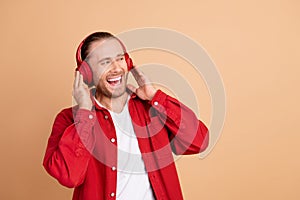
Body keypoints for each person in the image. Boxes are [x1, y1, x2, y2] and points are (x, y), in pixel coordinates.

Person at [43, 31, 209, 200]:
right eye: (105, 62)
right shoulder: (69, 119)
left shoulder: (152, 107)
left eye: (120, 58)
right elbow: (68, 176)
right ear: (87, 74)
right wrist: (85, 114)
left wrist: (156, 97)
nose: (116, 68)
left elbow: (199, 141)